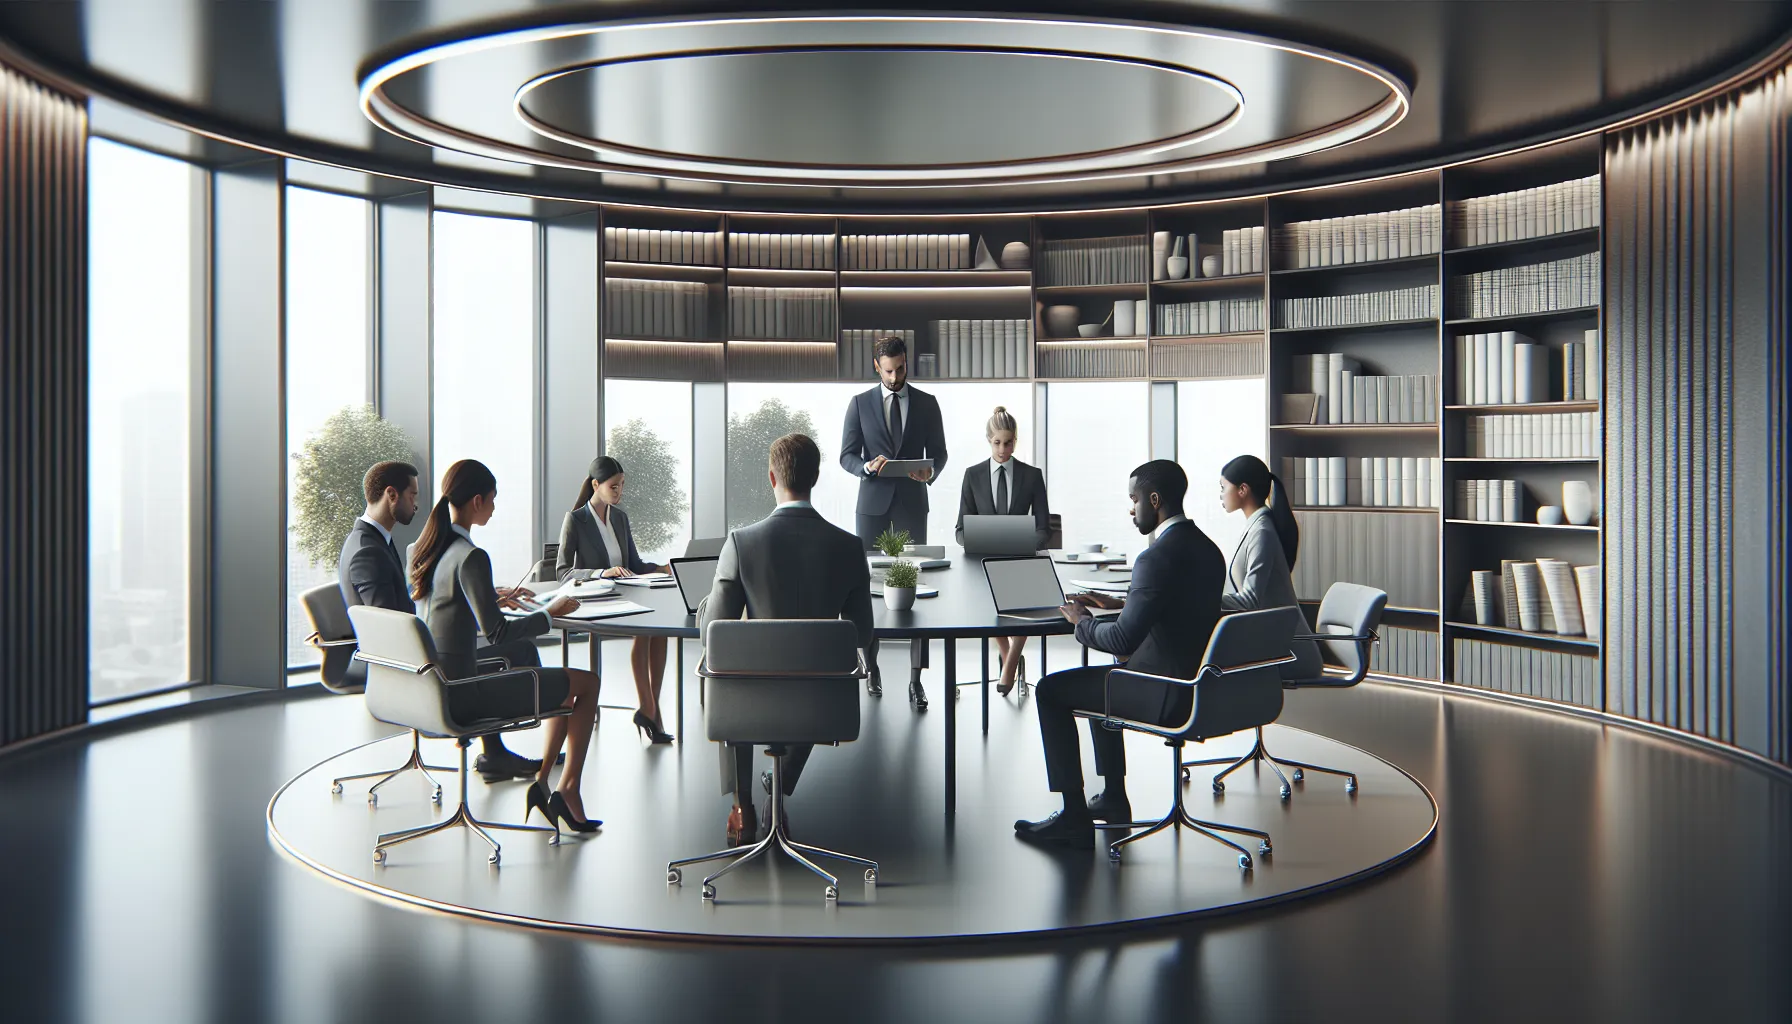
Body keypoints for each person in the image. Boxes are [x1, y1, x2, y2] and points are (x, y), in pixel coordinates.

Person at [1014, 460, 1226, 849]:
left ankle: (1074, 816)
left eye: (1134, 499)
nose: (1131, 509)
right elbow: (1174, 606)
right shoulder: (1209, 550)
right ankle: (1113, 796)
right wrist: (1124, 601)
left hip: (1161, 692)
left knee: (1050, 690)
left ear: (1155, 499)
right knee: (1102, 681)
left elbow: (1123, 641)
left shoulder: (1155, 558)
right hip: (1200, 687)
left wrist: (1081, 622)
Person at [699, 433, 875, 846]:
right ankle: (778, 793)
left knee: (727, 672)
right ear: (815, 477)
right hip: (821, 704)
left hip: (747, 702)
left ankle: (742, 807)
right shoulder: (849, 548)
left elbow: (711, 629)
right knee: (812, 678)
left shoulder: (741, 543)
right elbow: (862, 633)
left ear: (772, 477)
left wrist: (711, 594)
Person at [410, 459, 603, 830]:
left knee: (544, 672)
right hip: (464, 694)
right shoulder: (472, 556)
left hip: (434, 684)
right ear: (477, 501)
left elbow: (444, 606)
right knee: (588, 683)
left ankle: (543, 782)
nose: (495, 508)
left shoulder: (432, 548)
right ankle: (567, 791)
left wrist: (490, 596)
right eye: (493, 500)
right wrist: (551, 612)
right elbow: (497, 633)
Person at [340, 459, 535, 772]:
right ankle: (495, 734)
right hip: (413, 666)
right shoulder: (368, 551)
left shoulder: (372, 541)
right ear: (391, 495)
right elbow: (392, 629)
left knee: (484, 644)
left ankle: (494, 751)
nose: (417, 504)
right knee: (517, 649)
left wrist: (482, 594)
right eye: (412, 496)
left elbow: (411, 598)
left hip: (413, 657)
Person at [839, 335, 947, 708]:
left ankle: (916, 680)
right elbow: (846, 456)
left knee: (913, 592)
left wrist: (928, 473)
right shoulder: (859, 404)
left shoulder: (928, 404)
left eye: (901, 369)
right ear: (876, 367)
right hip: (871, 507)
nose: (896, 376)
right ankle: (872, 666)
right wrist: (866, 467)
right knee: (865, 590)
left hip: (912, 504)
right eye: (889, 371)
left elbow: (940, 454)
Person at [556, 456, 674, 744]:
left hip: (628, 594)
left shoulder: (620, 518)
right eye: (613, 486)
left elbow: (633, 563)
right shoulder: (576, 519)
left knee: (659, 633)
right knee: (646, 632)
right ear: (596, 485)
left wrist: (661, 568)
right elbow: (562, 572)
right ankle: (649, 712)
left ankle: (650, 708)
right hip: (597, 601)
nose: (619, 491)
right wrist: (601, 572)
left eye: (621, 486)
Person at [954, 405, 1051, 695]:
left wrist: (1025, 544)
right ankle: (1010, 656)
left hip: (1022, 560)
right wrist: (981, 542)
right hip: (985, 562)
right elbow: (960, 530)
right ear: (988, 440)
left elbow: (1044, 529)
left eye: (1008, 442)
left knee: (1027, 593)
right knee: (990, 598)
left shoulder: (1032, 476)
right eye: (997, 442)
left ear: (1015, 441)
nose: (1002, 449)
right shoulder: (972, 476)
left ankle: (1008, 664)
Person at [1217, 454, 1320, 674]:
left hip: (1289, 654)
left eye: (1224, 487)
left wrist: (1205, 601)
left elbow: (1250, 599)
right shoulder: (1256, 525)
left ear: (1242, 490)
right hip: (1271, 643)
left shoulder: (1261, 531)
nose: (1221, 495)